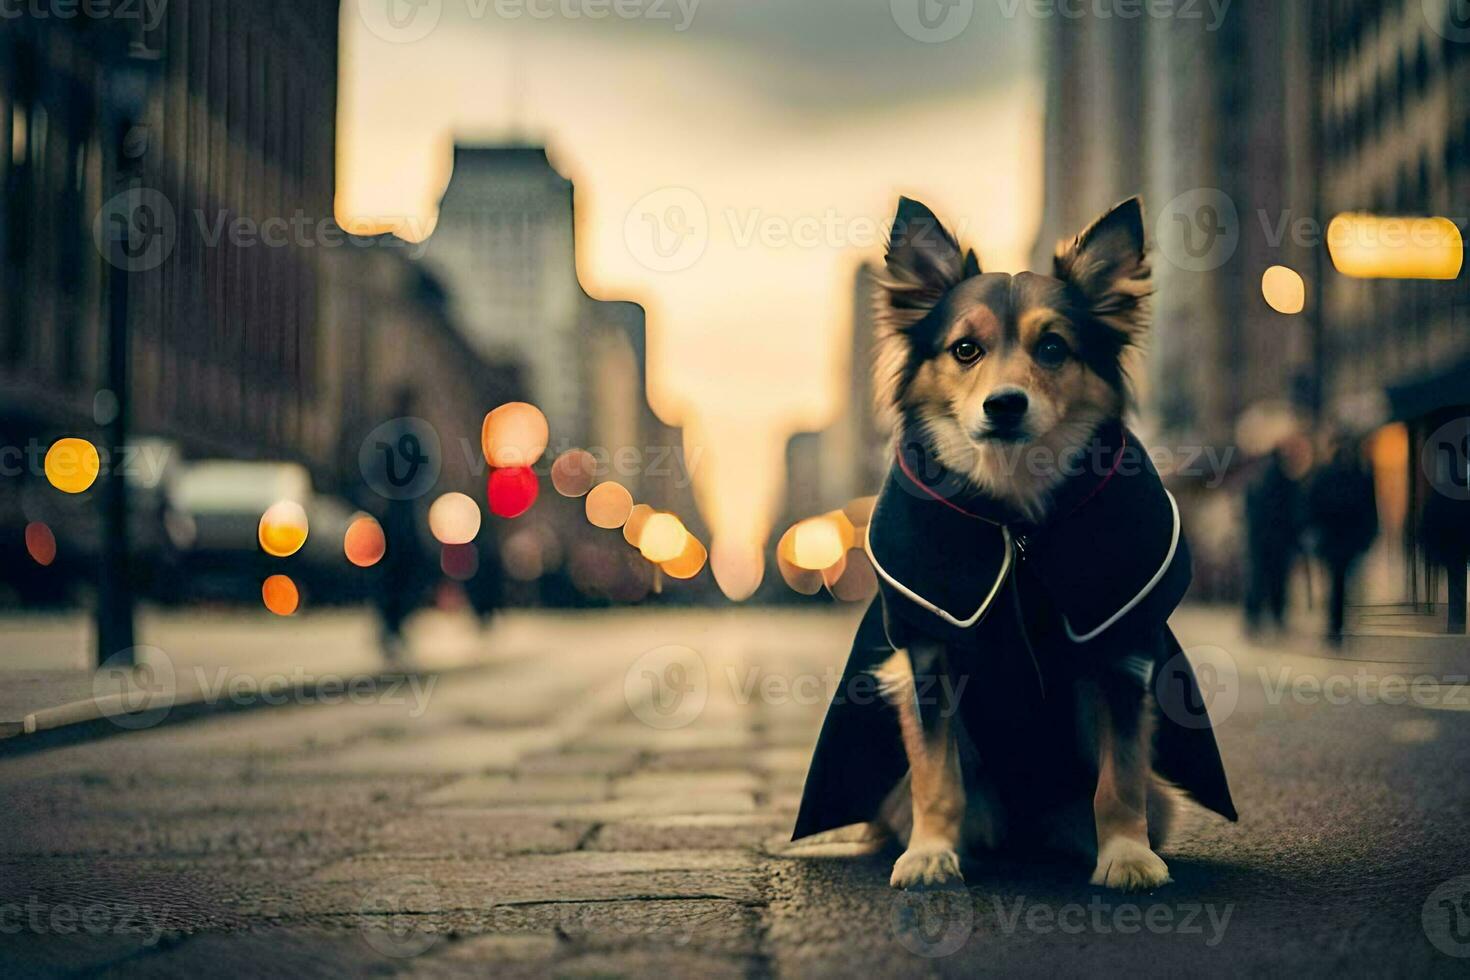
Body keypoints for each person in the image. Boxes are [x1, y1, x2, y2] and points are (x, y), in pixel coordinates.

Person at [1304, 437, 1379, 647]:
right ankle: (1341, 624)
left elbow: (1312, 507)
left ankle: (1336, 626)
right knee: (1345, 583)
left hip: (1335, 541)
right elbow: (1369, 509)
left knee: (1338, 584)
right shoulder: (1356, 476)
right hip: (1345, 540)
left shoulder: (1325, 476)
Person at [1243, 442, 1304, 636]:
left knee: (1259, 581)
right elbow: (1294, 514)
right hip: (1278, 542)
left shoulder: (1257, 482)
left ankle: (1254, 618)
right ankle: (1275, 618)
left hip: (1261, 542)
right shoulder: (1286, 482)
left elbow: (1250, 512)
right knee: (1277, 582)